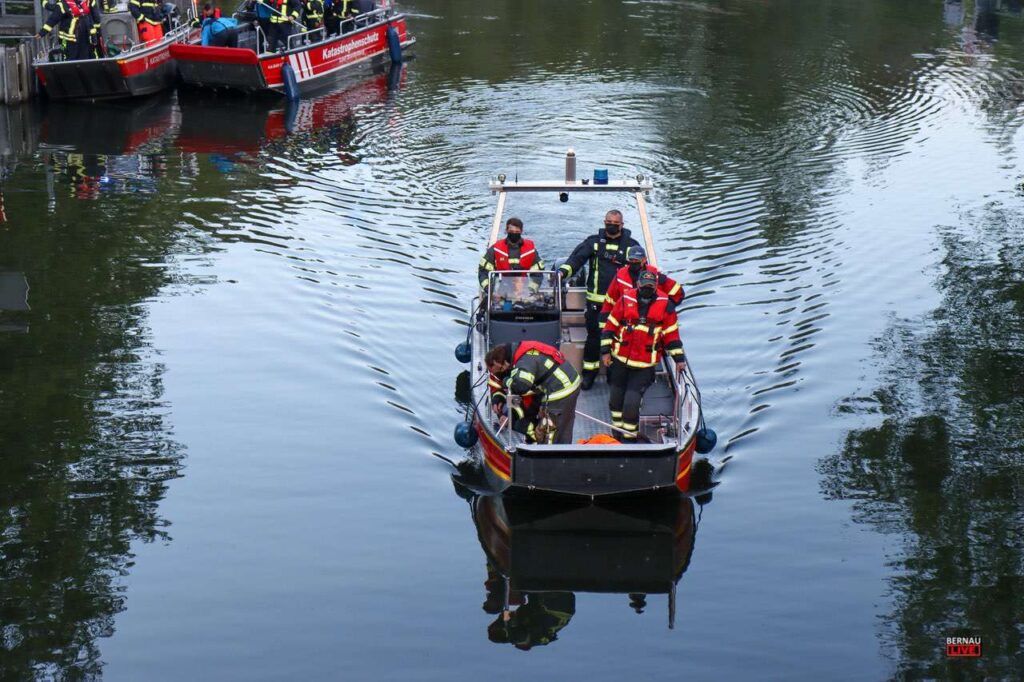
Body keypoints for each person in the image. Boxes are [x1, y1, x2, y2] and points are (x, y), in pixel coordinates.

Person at [558, 209, 640, 390]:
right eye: (608, 222)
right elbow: (575, 260)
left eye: (615, 223)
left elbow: (641, 270)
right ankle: (589, 374)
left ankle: (614, 376)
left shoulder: (631, 246)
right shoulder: (593, 243)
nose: (611, 225)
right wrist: (562, 273)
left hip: (621, 304)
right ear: (604, 222)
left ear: (622, 225)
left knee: (619, 339)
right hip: (596, 303)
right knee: (594, 339)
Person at [601, 271, 685, 442]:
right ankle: (617, 434)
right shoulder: (625, 300)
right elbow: (610, 326)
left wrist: (679, 360)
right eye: (644, 284)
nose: (647, 288)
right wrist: (605, 352)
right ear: (637, 284)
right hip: (619, 361)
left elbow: (671, 336)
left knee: (631, 404)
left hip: (644, 366)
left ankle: (629, 439)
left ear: (655, 286)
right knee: (615, 401)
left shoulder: (666, 306)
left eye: (650, 285)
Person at [485, 341, 580, 445]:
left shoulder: (523, 362)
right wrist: (498, 399)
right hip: (569, 383)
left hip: (559, 391)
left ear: (500, 363)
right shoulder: (521, 351)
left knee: (550, 433)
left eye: (499, 370)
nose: (500, 373)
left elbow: (521, 386)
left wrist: (506, 381)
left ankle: (550, 457)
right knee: (563, 428)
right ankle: (563, 453)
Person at [600, 245, 684, 321]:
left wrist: (667, 308)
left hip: (651, 321)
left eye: (636, 260)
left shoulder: (655, 275)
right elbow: (609, 301)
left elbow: (678, 293)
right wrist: (604, 326)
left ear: (644, 260)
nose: (633, 262)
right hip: (628, 321)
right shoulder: (621, 276)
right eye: (631, 260)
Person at [478, 217, 545, 291]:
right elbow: (483, 271)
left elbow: (538, 272)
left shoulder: (530, 250)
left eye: (517, 232)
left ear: (521, 231)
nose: (514, 233)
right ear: (506, 230)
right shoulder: (496, 249)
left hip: (523, 289)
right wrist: (489, 289)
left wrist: (531, 290)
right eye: (511, 231)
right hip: (500, 290)